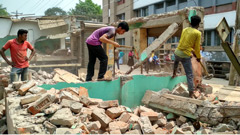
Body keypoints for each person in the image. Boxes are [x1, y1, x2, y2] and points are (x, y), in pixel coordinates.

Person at [172, 15, 202, 98]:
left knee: (176, 63)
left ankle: (174, 73)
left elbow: (184, 42)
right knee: (189, 75)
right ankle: (191, 93)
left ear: (190, 22)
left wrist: (192, 51)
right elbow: (196, 47)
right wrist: (198, 57)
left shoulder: (185, 30)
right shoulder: (198, 33)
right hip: (185, 55)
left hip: (177, 52)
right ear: (198, 24)